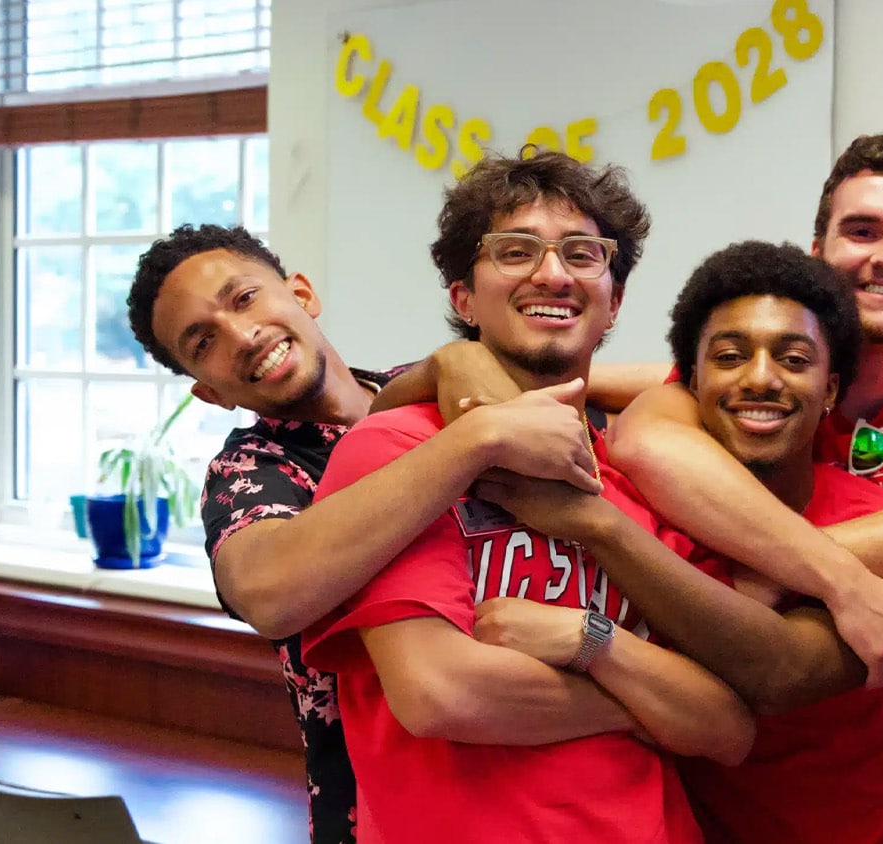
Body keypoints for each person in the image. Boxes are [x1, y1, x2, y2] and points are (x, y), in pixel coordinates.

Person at [299, 150, 754, 844]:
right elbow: (440, 693)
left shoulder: (645, 474)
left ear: (615, 301)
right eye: (515, 252)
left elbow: (726, 726)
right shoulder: (398, 450)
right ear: (463, 298)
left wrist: (591, 641)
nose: (552, 273)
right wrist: (647, 703)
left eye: (582, 253)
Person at [605, 132, 883, 842]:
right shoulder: (758, 389)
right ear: (819, 250)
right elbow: (644, 438)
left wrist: (770, 566)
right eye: (863, 230)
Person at [127, 223, 601, 844]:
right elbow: (268, 592)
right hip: (392, 814)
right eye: (203, 341)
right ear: (208, 392)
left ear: (301, 292)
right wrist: (474, 439)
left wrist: (451, 361)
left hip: (561, 795)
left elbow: (640, 388)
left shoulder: (431, 390)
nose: (243, 336)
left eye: (244, 299)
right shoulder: (252, 472)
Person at [476, 239, 883, 843]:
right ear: (689, 382)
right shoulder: (643, 499)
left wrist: (594, 536)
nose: (760, 379)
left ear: (831, 390)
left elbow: (779, 677)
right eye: (729, 357)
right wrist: (450, 362)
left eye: (795, 360)